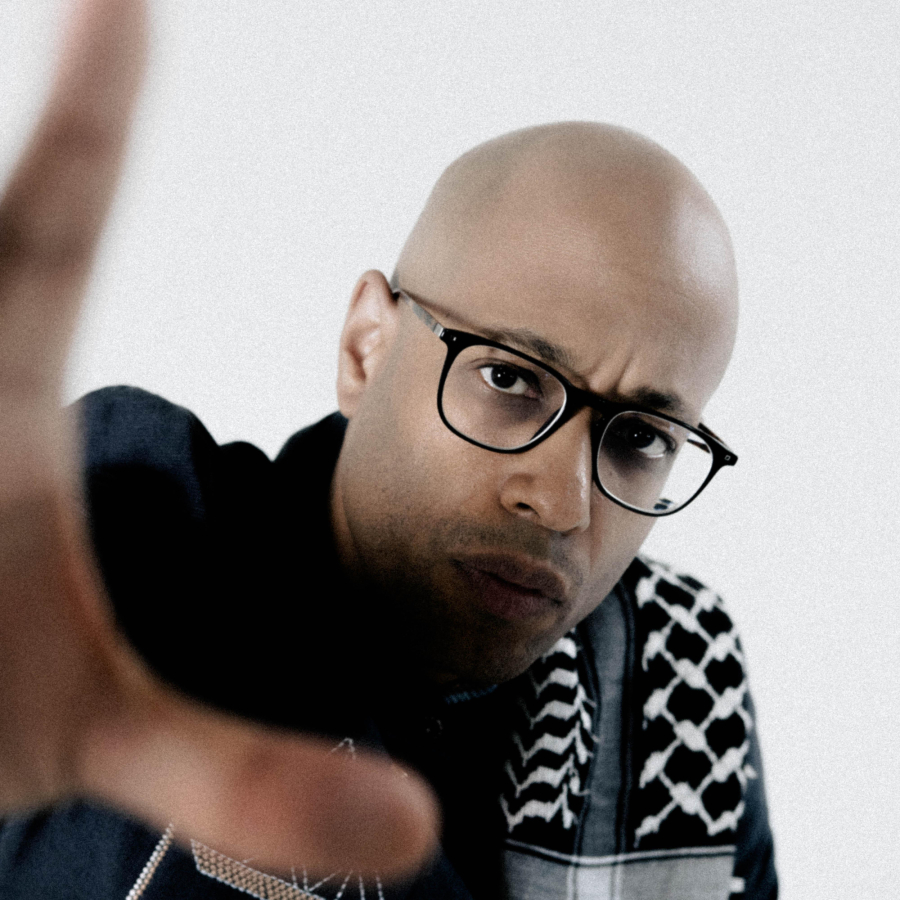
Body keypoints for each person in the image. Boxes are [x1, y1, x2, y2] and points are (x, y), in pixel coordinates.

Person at [0, 1, 777, 898]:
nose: (562, 502)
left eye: (639, 437)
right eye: (509, 378)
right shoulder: (143, 541)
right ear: (366, 347)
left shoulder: (674, 688)